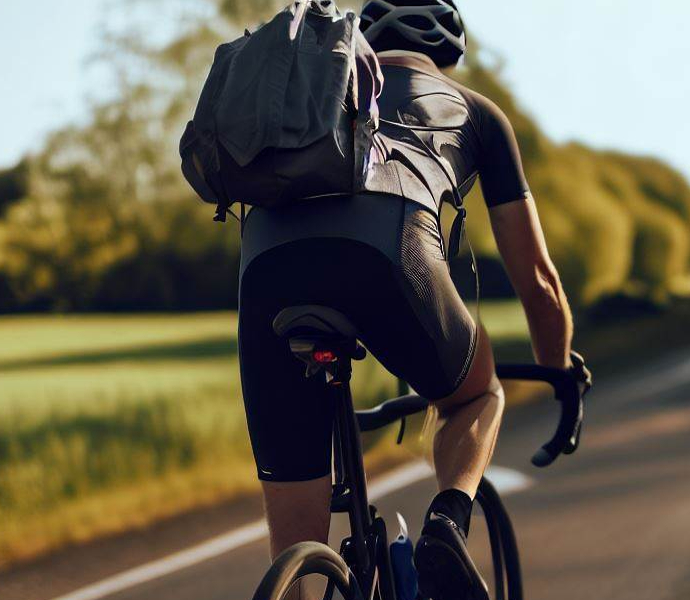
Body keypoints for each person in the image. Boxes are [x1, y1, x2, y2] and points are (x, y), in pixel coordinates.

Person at [236, 1, 583, 598]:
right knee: (476, 394)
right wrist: (558, 368)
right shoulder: (476, 112)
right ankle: (447, 523)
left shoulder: (313, 93)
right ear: (448, 52)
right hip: (385, 255)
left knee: (294, 541)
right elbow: (540, 281)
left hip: (265, 274)